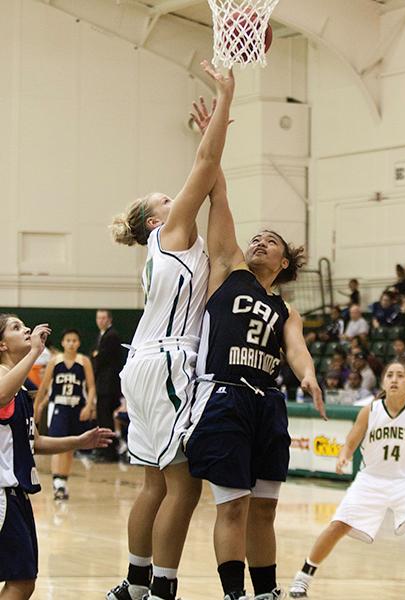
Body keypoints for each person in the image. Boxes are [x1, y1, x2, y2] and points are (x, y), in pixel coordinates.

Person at [184, 99, 325, 600]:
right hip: (223, 396)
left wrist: (308, 376)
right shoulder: (229, 270)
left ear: (285, 262)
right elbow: (216, 193)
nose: (260, 242)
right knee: (234, 506)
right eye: (257, 237)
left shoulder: (286, 309)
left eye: (271, 241)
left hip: (267, 402)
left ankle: (265, 592)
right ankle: (234, 594)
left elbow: (297, 350)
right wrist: (212, 137)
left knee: (265, 507)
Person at [106, 62, 235, 600]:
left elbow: (215, 191)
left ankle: (135, 586)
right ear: (156, 220)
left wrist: (218, 138)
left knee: (154, 482)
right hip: (169, 362)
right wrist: (225, 102)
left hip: (145, 364)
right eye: (165, 199)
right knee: (183, 483)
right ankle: (162, 590)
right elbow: (204, 166)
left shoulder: (180, 247)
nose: (175, 197)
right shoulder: (171, 235)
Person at [289, 359, 405, 600]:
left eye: (400, 375)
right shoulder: (370, 410)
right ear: (383, 382)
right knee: (338, 525)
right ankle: (303, 578)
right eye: (389, 375)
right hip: (370, 479)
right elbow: (350, 442)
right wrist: (343, 457)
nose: (394, 379)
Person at [0, 314, 113, 600]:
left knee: (23, 579)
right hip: (2, 493)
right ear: (1, 344)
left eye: (24, 325)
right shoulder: (2, 376)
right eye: (16, 328)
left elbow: (34, 443)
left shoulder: (22, 388)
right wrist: (37, 352)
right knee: (21, 580)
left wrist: (79, 440)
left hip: (16, 494)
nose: (26, 329)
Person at [34, 329, 95, 500]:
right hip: (59, 406)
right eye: (68, 340)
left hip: (77, 407)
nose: (71, 343)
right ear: (62, 343)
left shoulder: (84, 361)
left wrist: (88, 406)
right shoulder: (55, 361)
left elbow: (91, 388)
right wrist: (37, 408)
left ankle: (63, 481)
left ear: (79, 343)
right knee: (57, 445)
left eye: (74, 340)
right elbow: (44, 387)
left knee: (70, 446)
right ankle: (57, 482)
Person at [91, 309, 122, 461]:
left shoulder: (112, 336)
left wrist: (96, 356)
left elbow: (101, 358)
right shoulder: (101, 335)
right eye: (98, 318)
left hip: (108, 386)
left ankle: (109, 452)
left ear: (110, 319)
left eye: (103, 318)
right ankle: (105, 450)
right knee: (103, 418)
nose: (101, 321)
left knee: (106, 418)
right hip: (102, 385)